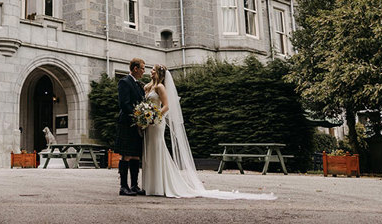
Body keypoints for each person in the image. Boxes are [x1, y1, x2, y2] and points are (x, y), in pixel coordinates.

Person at [141, 64, 276, 200]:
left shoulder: (160, 87)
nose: (150, 71)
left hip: (157, 123)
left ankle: (159, 185)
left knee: (157, 148)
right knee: (149, 149)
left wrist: (155, 116)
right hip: (149, 123)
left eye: (153, 69)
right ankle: (151, 185)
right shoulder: (149, 86)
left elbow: (166, 106)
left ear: (158, 72)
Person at [114, 57, 146, 196]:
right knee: (126, 155)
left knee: (135, 156)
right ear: (135, 68)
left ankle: (134, 185)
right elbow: (124, 104)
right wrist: (137, 117)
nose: (144, 71)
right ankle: (123, 186)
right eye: (143, 68)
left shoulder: (139, 85)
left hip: (137, 125)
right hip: (127, 123)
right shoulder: (124, 82)